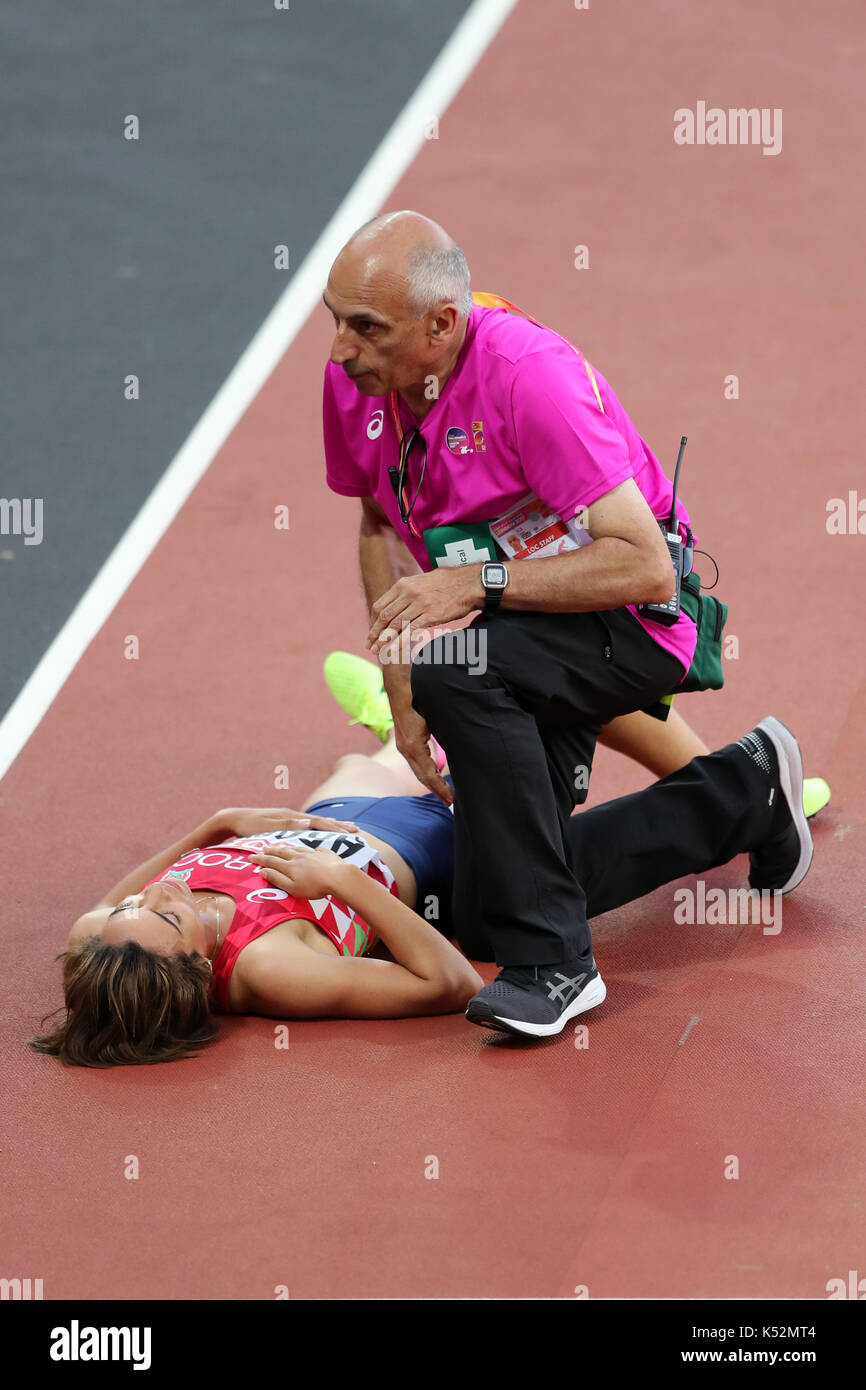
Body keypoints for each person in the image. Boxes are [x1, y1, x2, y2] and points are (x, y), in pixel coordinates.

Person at [320, 209, 821, 1037]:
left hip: (633, 619)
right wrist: (398, 685)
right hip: (523, 636)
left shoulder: (529, 380)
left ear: (441, 324)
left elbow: (645, 565)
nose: (341, 350)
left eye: (365, 327)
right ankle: (749, 791)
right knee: (485, 912)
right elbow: (377, 522)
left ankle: (556, 965)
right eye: (335, 320)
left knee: (460, 670)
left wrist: (471, 585)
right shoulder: (360, 381)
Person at [30, 648, 816, 1061]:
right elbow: (448, 983)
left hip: (345, 808)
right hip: (437, 849)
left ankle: (405, 724)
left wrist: (210, 829)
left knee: (381, 757)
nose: (154, 894)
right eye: (164, 916)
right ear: (197, 974)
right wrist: (342, 882)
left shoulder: (104, 939)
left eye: (134, 902)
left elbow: (102, 911)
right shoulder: (269, 968)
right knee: (519, 866)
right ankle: (713, 770)